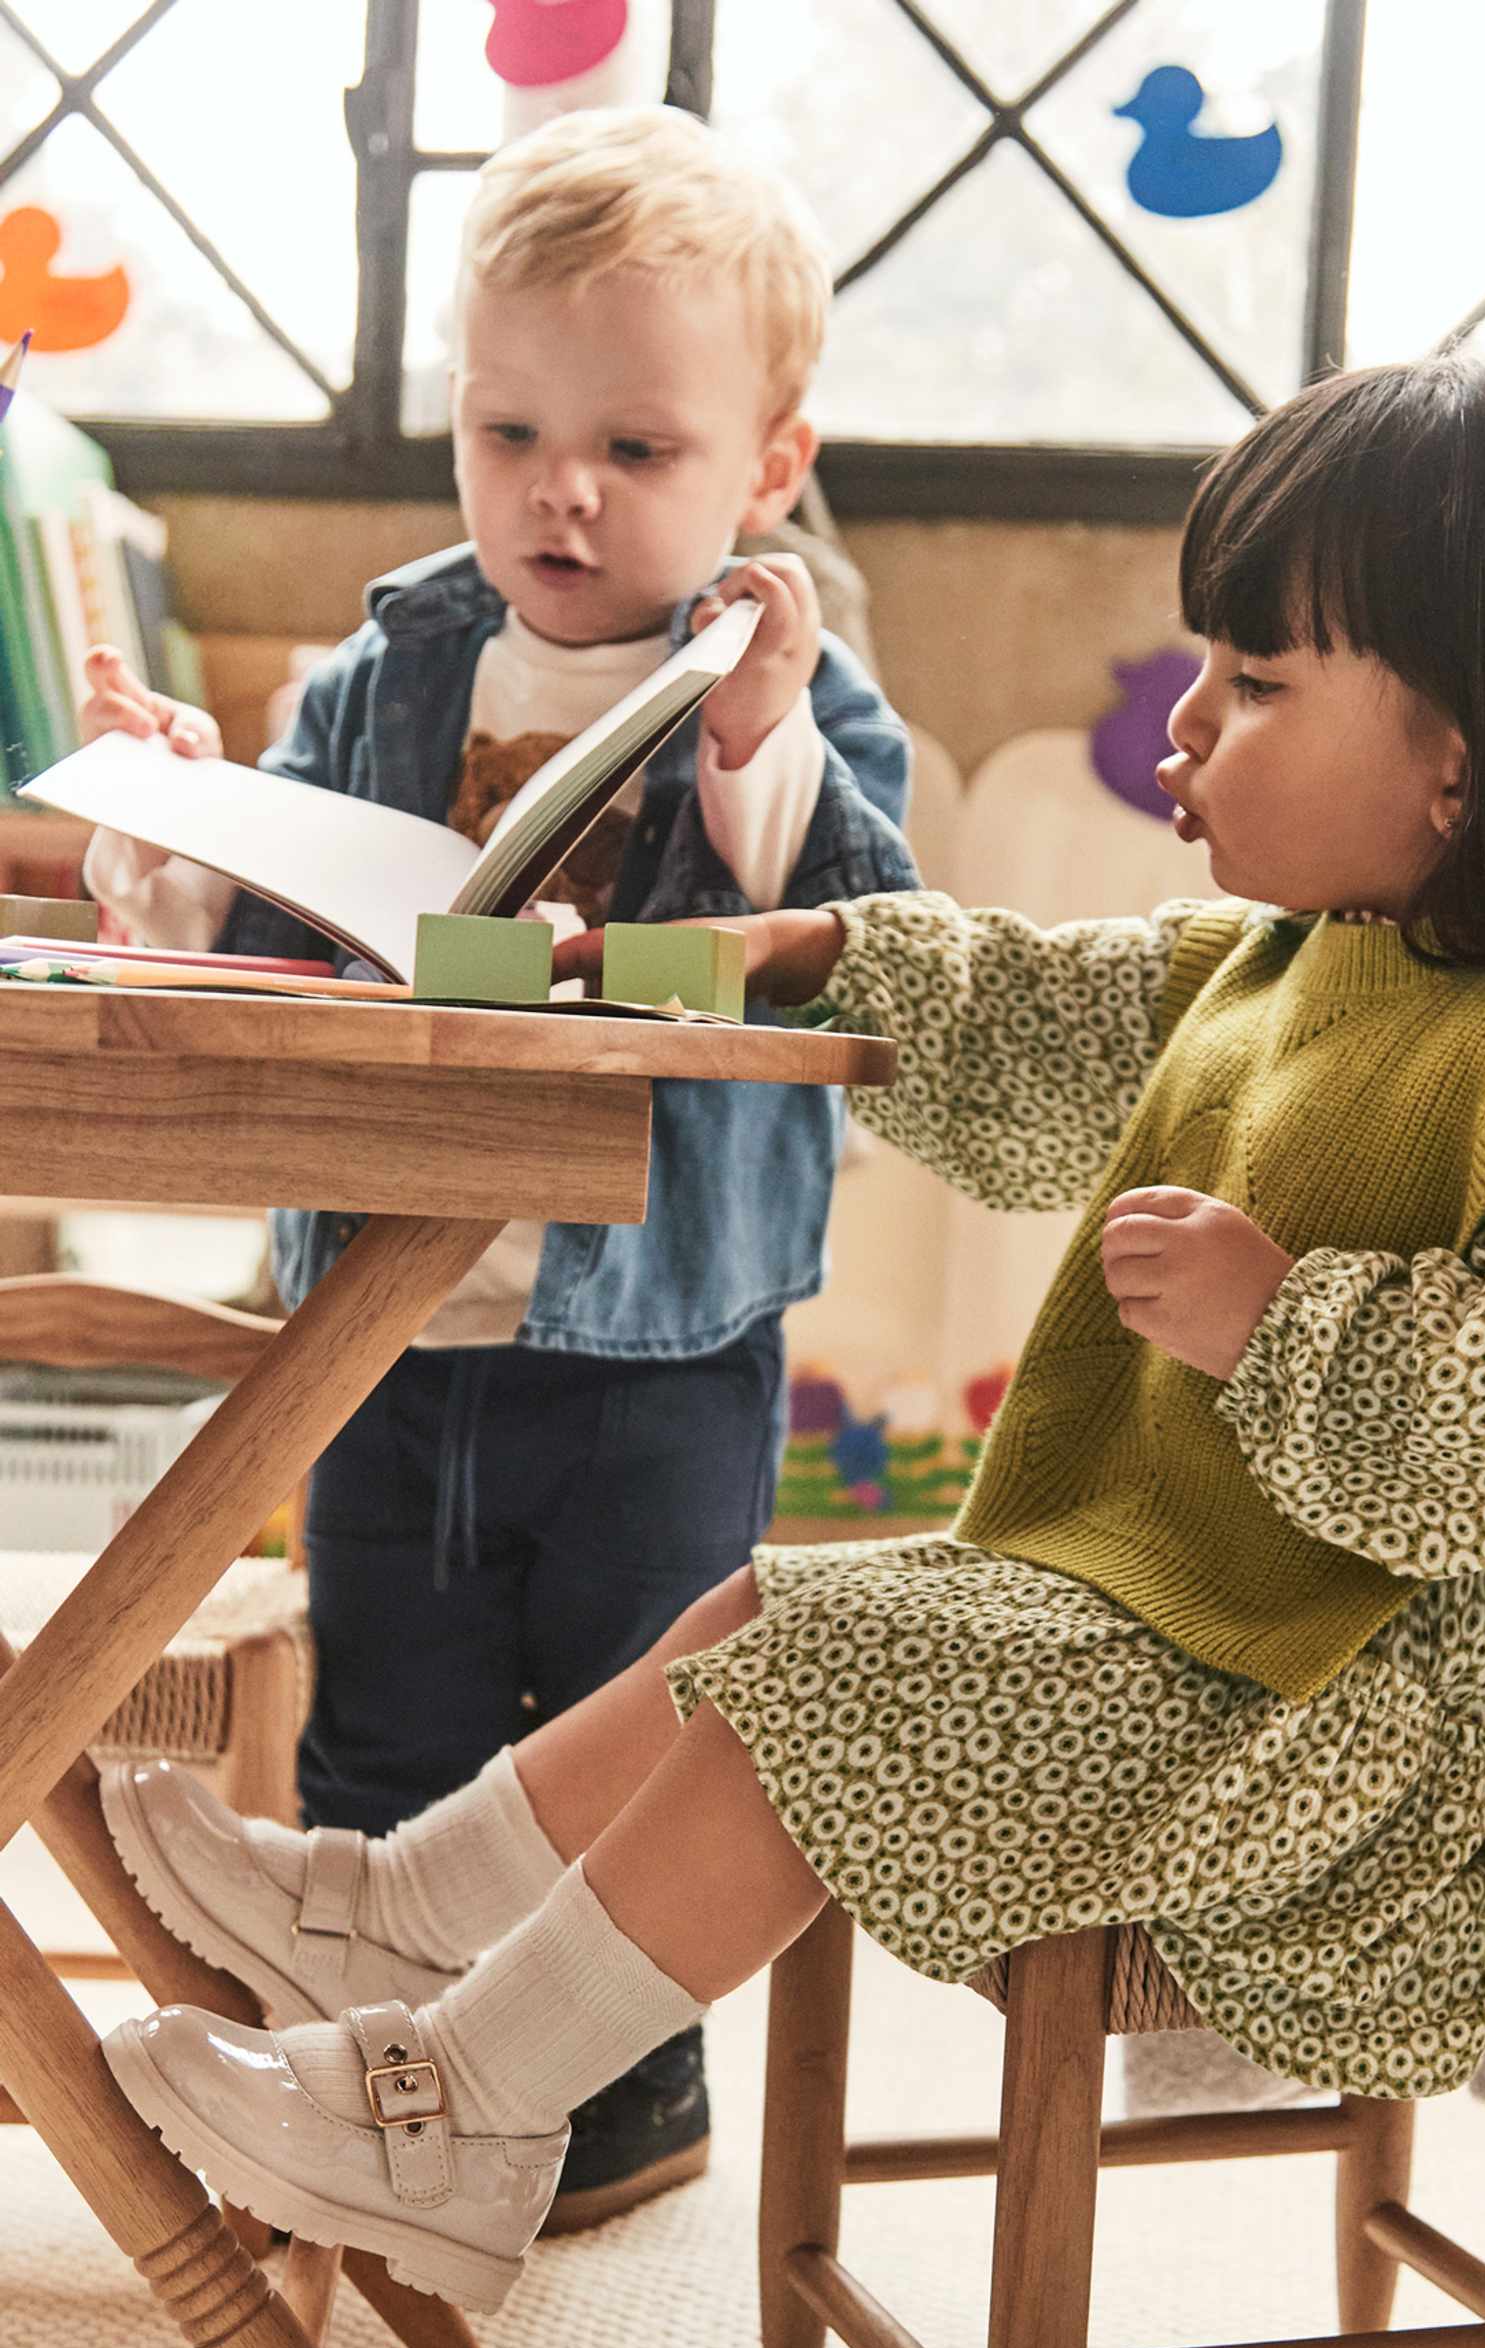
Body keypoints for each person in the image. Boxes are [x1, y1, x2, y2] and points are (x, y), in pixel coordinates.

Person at [98, 354, 1485, 2313]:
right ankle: (401, 1914)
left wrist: (1283, 1322)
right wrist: (809, 944)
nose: (1187, 733)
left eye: (1254, 687)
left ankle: (465, 2112)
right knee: (764, 1616)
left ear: (1469, 761)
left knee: (843, 1674)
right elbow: (1033, 1009)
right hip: (1170, 1639)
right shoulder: (1293, 965)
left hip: (1339, 1729)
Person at [71, 106, 920, 2231]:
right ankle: (370, 2094)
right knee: (395, 1692)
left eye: (637, 450)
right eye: (510, 429)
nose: (563, 489)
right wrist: (178, 838)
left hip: (659, 1323)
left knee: (635, 1707)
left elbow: (868, 947)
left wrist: (752, 759)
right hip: (390, 1301)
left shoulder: (792, 693)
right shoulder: (388, 668)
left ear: (767, 470)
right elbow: (271, 942)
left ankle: (615, 2108)